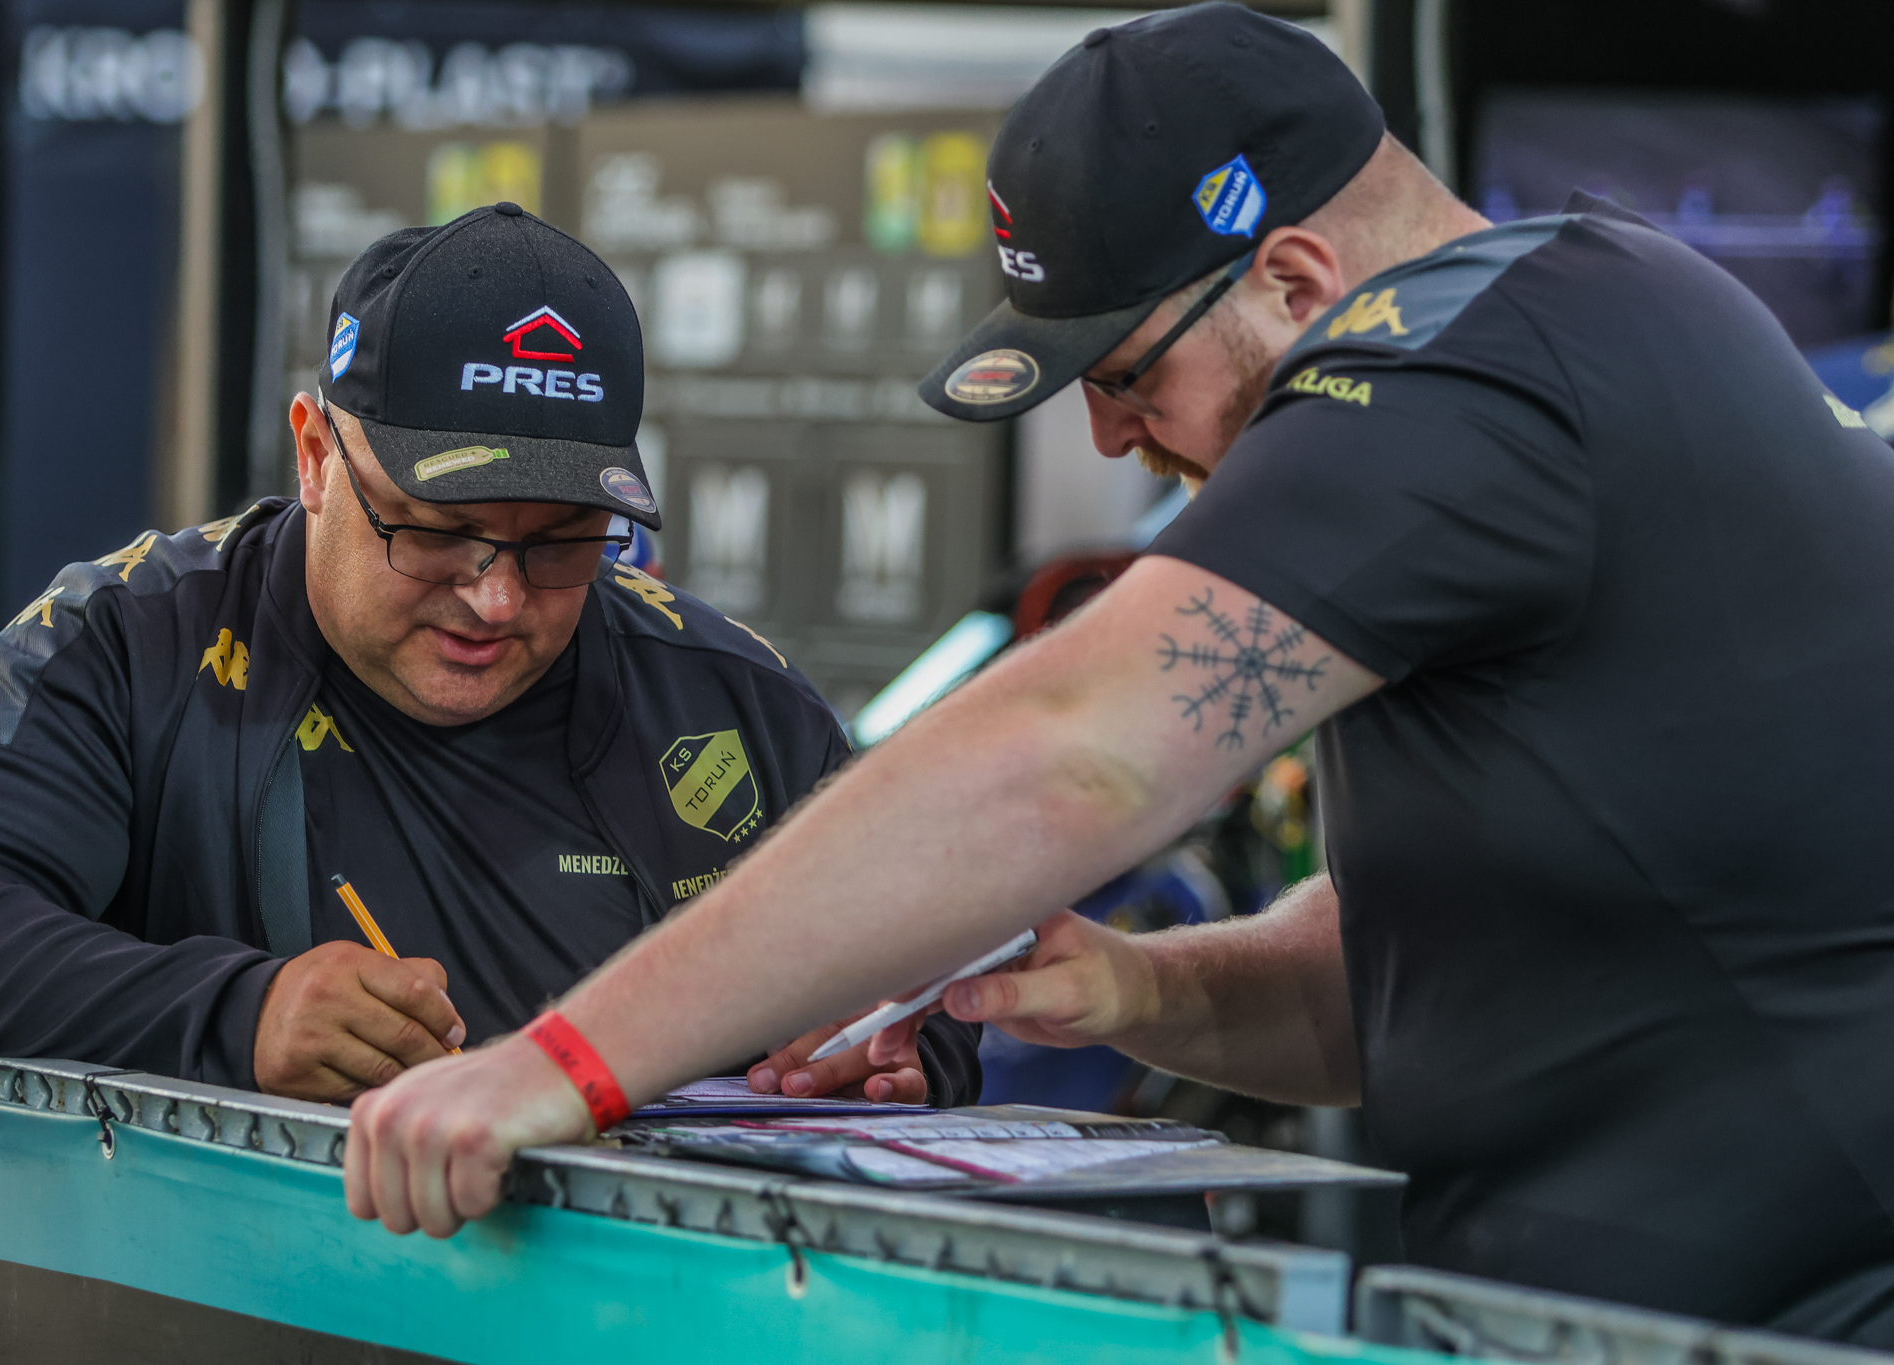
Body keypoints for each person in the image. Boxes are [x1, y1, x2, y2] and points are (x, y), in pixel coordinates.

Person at [342, 4, 1894, 1346]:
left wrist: (561, 1063)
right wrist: (1137, 991)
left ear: (1298, 281)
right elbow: (1428, 977)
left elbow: (1070, 748)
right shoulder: (1590, 325)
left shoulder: (1470, 370)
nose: (1108, 435)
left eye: (1131, 373)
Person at [0, 205, 980, 1109]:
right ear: (314, 456)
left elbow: (927, 1005)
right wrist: (236, 1014)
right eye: (437, 531)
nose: (496, 597)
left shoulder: (735, 703)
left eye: (562, 544)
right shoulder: (134, 642)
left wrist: (894, 1050)